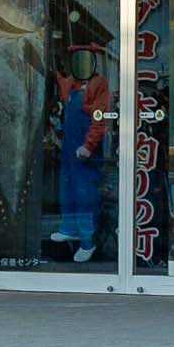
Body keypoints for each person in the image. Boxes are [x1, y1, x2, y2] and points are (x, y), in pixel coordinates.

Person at [52, 64, 112, 262]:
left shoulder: (98, 83)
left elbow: (99, 118)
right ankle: (68, 228)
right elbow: (60, 83)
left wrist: (89, 145)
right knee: (67, 187)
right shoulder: (71, 82)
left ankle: (88, 241)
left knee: (85, 193)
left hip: (85, 151)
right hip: (69, 149)